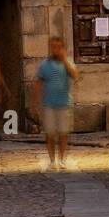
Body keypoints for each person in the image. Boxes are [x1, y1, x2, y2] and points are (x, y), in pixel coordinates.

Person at [31, 35, 80, 171]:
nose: (56, 50)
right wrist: (34, 103)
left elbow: (75, 76)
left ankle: (62, 159)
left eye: (58, 47)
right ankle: (53, 160)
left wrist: (64, 61)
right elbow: (38, 84)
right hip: (49, 104)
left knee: (64, 133)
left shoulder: (68, 62)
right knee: (50, 134)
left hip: (65, 103)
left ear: (62, 48)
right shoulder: (44, 65)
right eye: (53, 47)